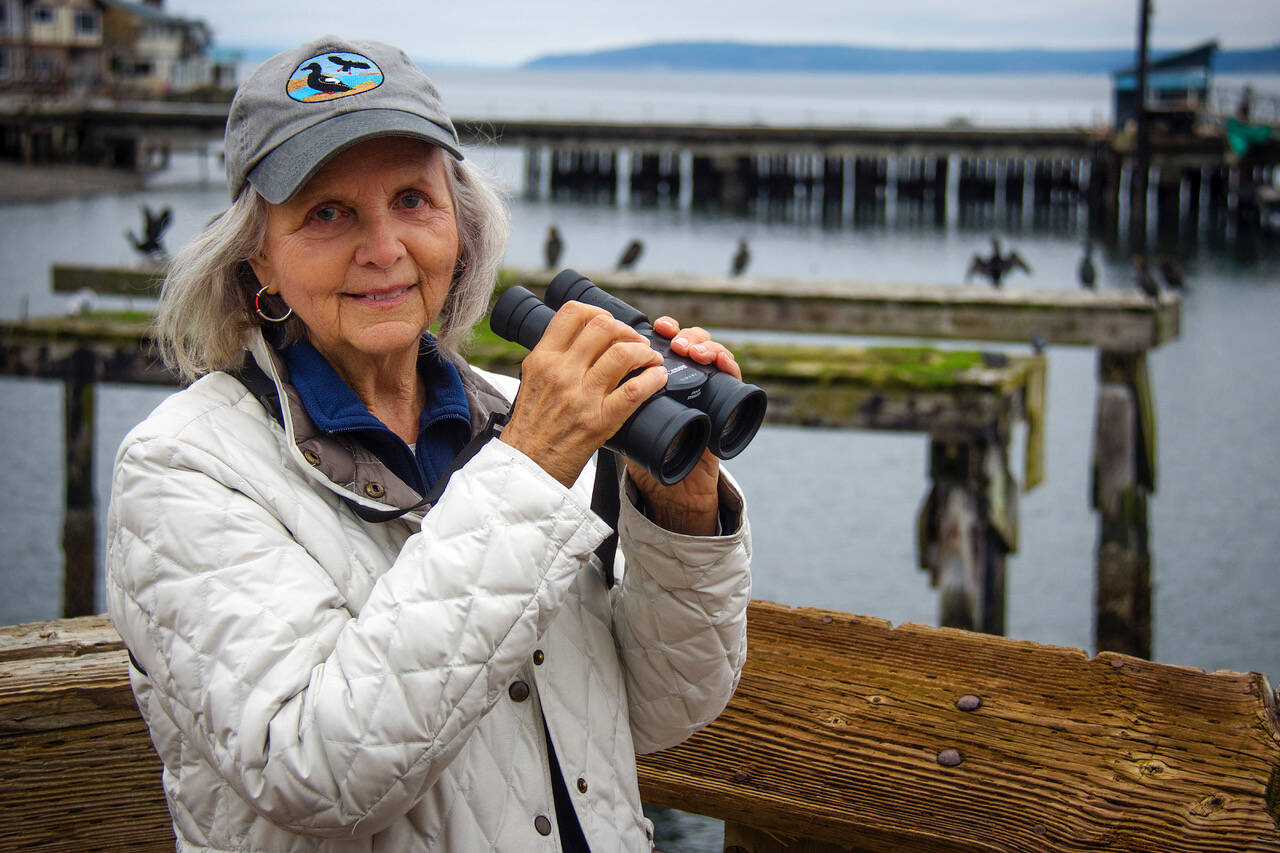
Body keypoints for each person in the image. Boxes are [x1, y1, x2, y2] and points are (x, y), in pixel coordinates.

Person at [106, 36, 751, 852]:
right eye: (328, 213)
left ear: (461, 225)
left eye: (414, 200)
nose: (384, 249)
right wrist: (530, 466)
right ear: (256, 259)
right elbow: (320, 767)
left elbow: (664, 705)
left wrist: (679, 501)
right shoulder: (182, 470)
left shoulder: (520, 418)